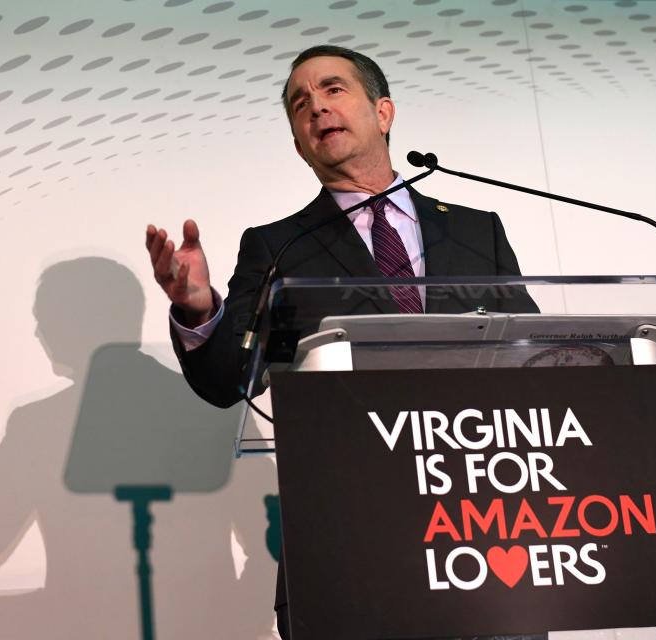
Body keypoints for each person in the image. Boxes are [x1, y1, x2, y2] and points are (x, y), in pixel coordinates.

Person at [145, 45, 540, 638]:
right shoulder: (276, 247)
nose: (316, 108)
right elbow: (230, 381)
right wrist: (197, 308)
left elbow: (531, 357)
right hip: (350, 540)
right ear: (299, 143)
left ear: (383, 113)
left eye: (333, 90)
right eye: (300, 103)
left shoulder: (476, 228)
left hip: (484, 529)